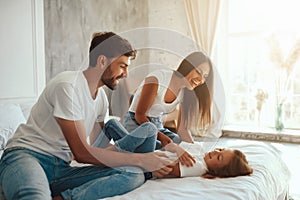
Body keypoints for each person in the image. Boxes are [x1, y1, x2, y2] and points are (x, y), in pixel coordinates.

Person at [0, 32, 174, 200]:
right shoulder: (68, 86)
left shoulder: (101, 99)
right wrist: (142, 159)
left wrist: (133, 147)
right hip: (26, 156)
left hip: (61, 169)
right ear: (102, 61)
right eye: (122, 65)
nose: (126, 74)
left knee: (134, 175)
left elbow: (98, 152)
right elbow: (82, 152)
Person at [99, 120, 253, 179]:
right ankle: (102, 150)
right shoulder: (200, 151)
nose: (215, 153)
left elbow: (166, 168)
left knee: (150, 128)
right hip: (150, 152)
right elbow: (170, 145)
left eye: (219, 158)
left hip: (147, 160)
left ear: (217, 172)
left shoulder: (198, 167)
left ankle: (106, 155)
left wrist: (173, 148)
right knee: (112, 124)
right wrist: (176, 148)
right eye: (220, 150)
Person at [123, 51, 214, 149]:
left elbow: (182, 130)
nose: (201, 80)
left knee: (178, 143)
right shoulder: (158, 79)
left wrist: (195, 149)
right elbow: (139, 115)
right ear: (188, 66)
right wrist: (161, 138)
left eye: (205, 76)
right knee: (159, 146)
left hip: (157, 124)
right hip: (137, 123)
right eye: (199, 72)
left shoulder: (186, 91)